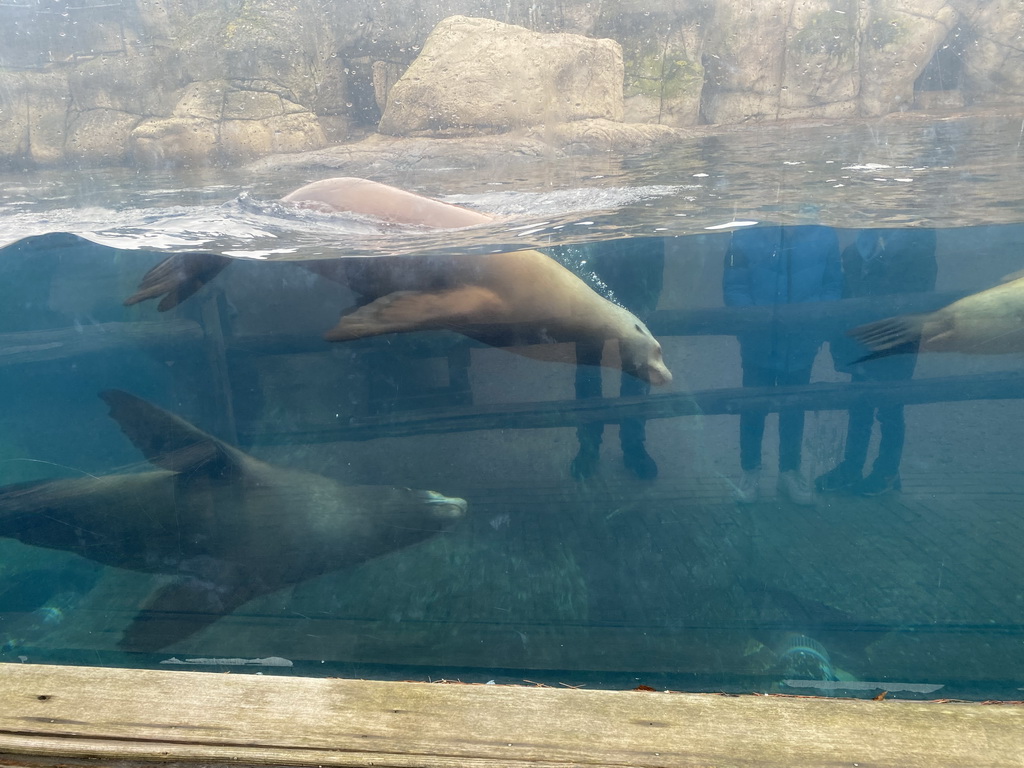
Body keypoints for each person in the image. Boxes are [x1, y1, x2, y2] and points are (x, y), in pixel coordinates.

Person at [723, 224, 842, 504]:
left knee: (793, 407)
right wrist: (757, 322)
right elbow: (734, 285)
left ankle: (788, 470)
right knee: (753, 407)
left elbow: (833, 285)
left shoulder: (824, 235)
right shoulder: (742, 236)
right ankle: (751, 469)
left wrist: (809, 321)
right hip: (760, 341)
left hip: (800, 341)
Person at [815, 228, 938, 496]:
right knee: (861, 406)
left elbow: (914, 299)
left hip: (896, 343)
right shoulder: (860, 249)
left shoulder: (916, 251)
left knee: (889, 409)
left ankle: (886, 472)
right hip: (863, 342)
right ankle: (856, 468)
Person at [570, 237, 665, 480]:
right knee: (589, 375)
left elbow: (655, 264)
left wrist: (646, 306)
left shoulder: (645, 226)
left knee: (634, 375)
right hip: (589, 306)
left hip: (632, 303)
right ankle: (589, 447)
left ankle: (632, 446)